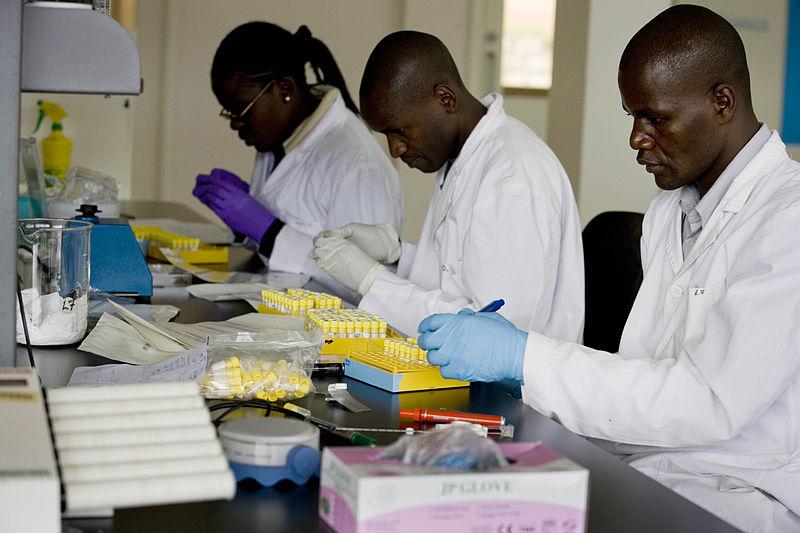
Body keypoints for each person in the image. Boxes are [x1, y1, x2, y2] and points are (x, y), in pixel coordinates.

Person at [416, 5, 800, 532]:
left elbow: (706, 400)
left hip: (742, 491)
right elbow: (642, 374)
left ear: (722, 103)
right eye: (632, 117)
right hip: (657, 462)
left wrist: (527, 358)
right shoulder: (674, 208)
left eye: (655, 118)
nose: (636, 139)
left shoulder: (788, 220)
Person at [312, 31, 584, 339]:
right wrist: (400, 254)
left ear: (445, 99)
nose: (395, 150)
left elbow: (492, 333)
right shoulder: (461, 156)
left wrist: (371, 281)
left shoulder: (512, 178)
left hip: (506, 385)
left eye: (399, 131)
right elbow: (459, 278)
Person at [193, 22, 402, 298]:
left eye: (239, 109)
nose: (234, 124)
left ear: (284, 89)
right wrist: (246, 225)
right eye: (228, 112)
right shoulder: (278, 140)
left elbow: (370, 287)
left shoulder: (357, 164)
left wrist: (269, 231)